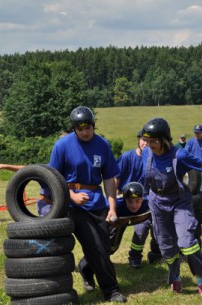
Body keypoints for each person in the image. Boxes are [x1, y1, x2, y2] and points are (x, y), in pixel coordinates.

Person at [49, 106, 126, 303]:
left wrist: (112, 207)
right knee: (88, 246)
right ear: (74, 128)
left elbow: (109, 178)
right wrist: (72, 196)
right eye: (80, 128)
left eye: (89, 127)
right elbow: (53, 178)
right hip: (70, 206)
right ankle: (111, 290)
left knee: (103, 247)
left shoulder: (102, 145)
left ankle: (88, 270)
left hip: (96, 202)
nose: (85, 132)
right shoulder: (62, 146)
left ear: (93, 126)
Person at [140, 117, 202, 301]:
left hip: (179, 201)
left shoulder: (180, 155)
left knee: (187, 242)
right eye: (147, 141)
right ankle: (175, 276)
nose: (150, 144)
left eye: (153, 141)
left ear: (164, 140)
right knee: (167, 248)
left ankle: (201, 281)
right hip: (157, 202)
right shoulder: (147, 153)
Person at [78, 182, 151, 289]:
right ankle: (85, 270)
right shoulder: (115, 204)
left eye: (137, 201)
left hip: (124, 220)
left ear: (142, 199)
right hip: (112, 221)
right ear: (124, 199)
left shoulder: (149, 203)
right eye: (130, 201)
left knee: (112, 248)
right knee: (104, 249)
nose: (134, 205)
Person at [115, 130, 153, 269]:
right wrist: (113, 201)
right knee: (111, 234)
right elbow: (115, 179)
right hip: (124, 202)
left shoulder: (152, 159)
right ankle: (102, 256)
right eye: (144, 140)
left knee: (142, 228)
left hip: (143, 202)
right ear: (138, 140)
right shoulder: (126, 157)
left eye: (149, 141)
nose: (146, 143)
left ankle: (135, 256)